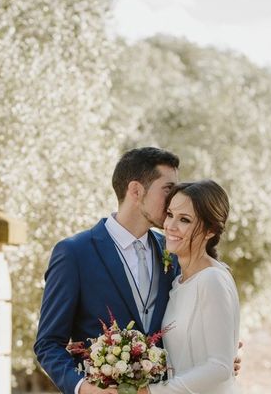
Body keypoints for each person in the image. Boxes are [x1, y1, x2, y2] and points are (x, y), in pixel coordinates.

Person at [34, 148, 241, 394]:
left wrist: (218, 357)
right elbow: (48, 344)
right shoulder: (74, 253)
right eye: (168, 189)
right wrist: (83, 388)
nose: (174, 198)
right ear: (136, 191)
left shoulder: (174, 251)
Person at [110, 180, 241, 394]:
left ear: (210, 230)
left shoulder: (212, 280)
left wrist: (150, 392)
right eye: (170, 214)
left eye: (185, 220)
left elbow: (219, 367)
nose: (170, 226)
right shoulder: (177, 281)